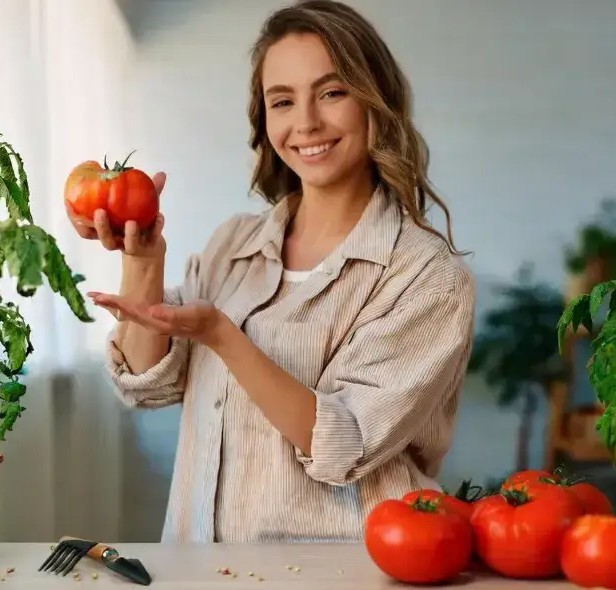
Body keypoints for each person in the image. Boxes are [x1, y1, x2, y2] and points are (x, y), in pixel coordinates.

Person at [69, 0, 475, 543]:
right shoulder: (235, 244)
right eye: (282, 101)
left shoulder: (427, 278)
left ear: (375, 100)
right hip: (201, 567)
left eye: (332, 92)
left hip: (343, 572)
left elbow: (344, 444)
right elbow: (147, 386)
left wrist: (222, 335)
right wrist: (142, 259)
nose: (306, 123)